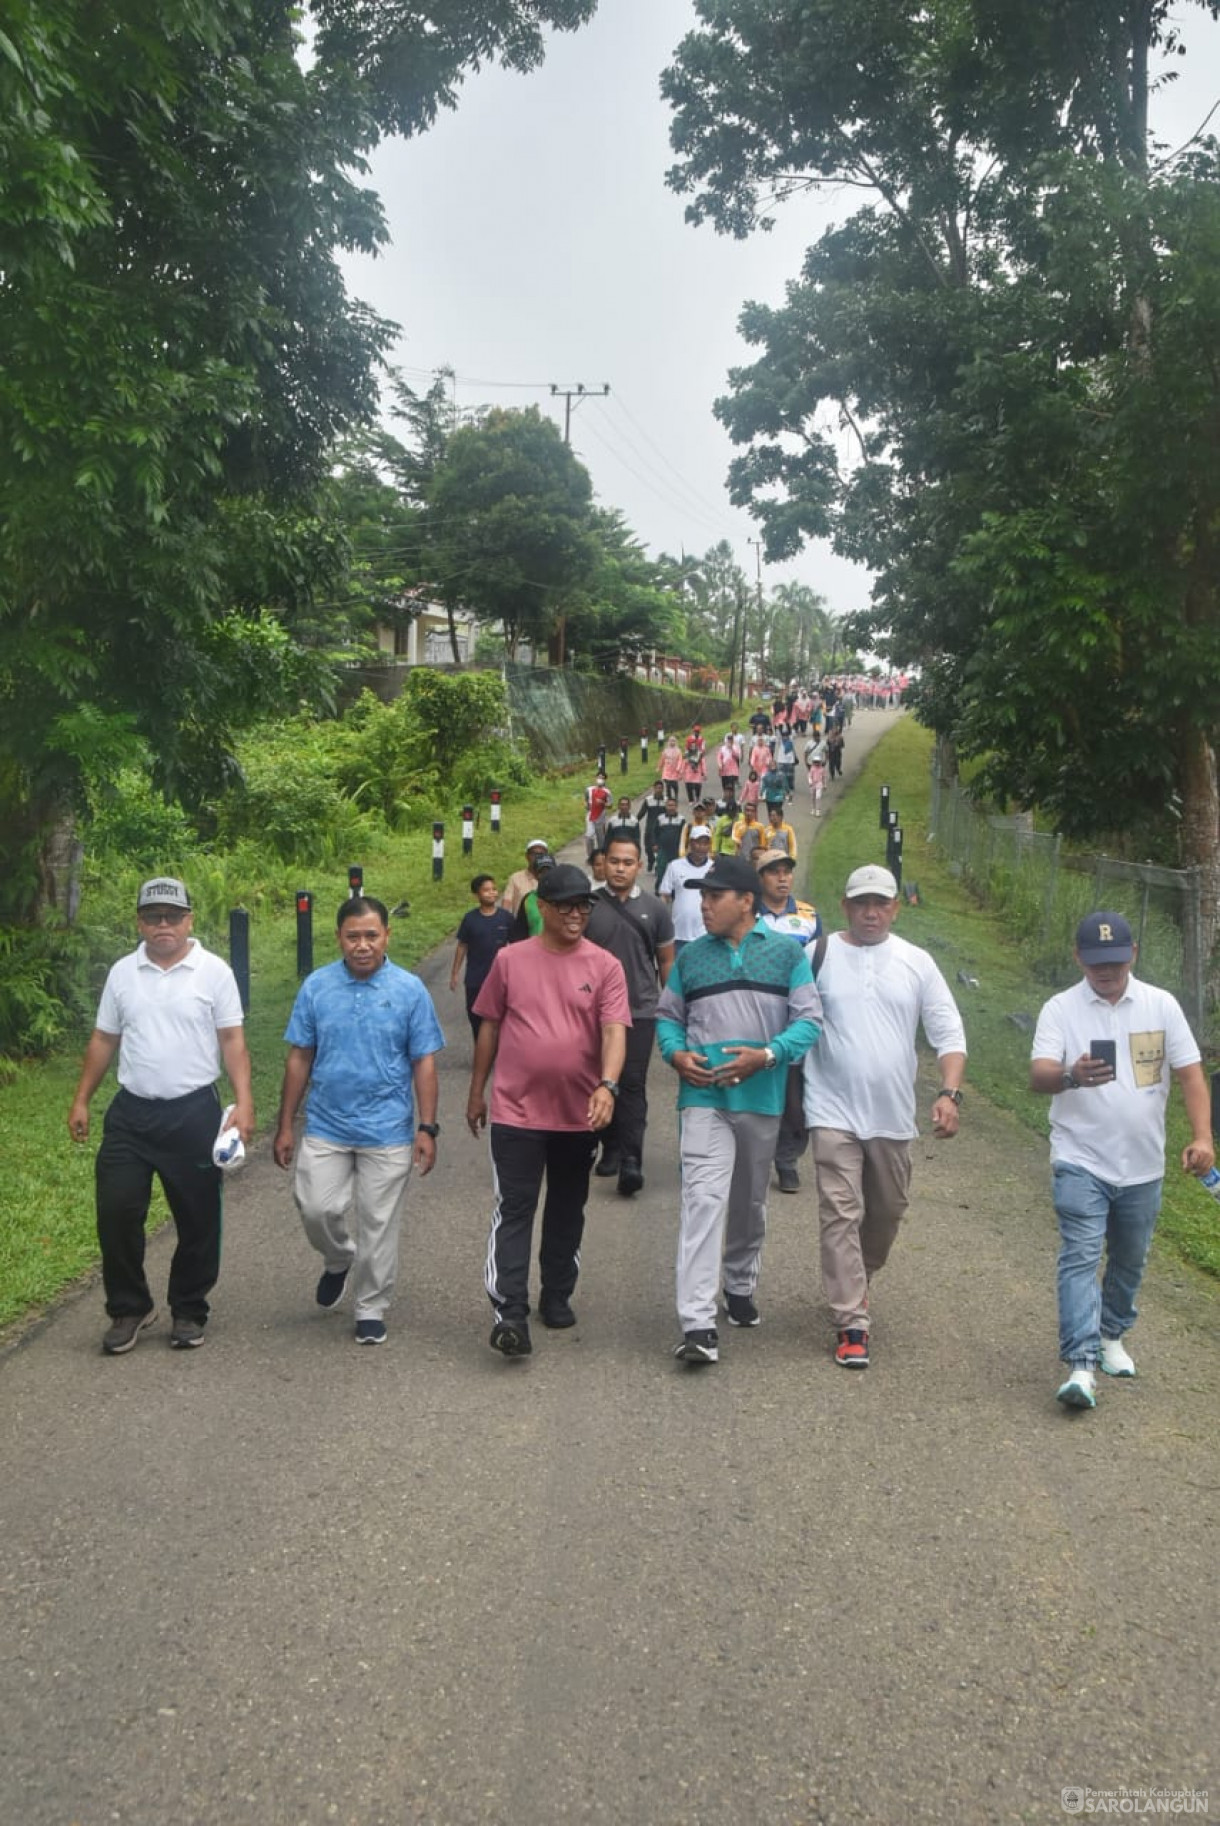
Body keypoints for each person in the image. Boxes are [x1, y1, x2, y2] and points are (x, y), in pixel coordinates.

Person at [1029, 911, 1214, 1412]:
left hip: (1143, 1165)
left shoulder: (1161, 1005)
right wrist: (1071, 1076)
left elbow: (1192, 1075)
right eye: (1095, 963)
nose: (1105, 972)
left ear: (1133, 954)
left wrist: (1203, 1136)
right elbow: (1038, 1073)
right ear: (1078, 958)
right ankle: (1081, 1366)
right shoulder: (1061, 1008)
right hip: (1079, 1157)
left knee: (1130, 1259)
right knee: (1081, 1256)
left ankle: (1111, 1335)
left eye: (1114, 961)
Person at [67, 876, 255, 1354]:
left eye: (173, 916)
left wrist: (245, 1100)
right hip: (131, 1113)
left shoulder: (213, 972)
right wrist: (82, 1098)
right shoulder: (122, 973)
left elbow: (232, 1040)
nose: (163, 925)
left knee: (197, 1217)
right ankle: (129, 1307)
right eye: (153, 917)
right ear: (140, 922)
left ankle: (189, 1308)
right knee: (116, 1209)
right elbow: (104, 1038)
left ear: (190, 919)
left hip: (193, 1111)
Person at [657, 855, 822, 1364]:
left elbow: (810, 1020)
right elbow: (668, 1018)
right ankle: (698, 1324)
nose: (702, 906)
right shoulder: (691, 959)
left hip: (761, 1098)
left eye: (713, 897)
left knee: (749, 1201)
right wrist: (675, 1053)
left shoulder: (786, 956)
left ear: (745, 901)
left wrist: (768, 1055)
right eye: (700, 897)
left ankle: (739, 1282)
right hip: (704, 1098)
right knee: (703, 1201)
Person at [802, 865, 966, 1369]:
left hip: (892, 1116)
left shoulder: (917, 962)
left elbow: (948, 1032)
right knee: (840, 1212)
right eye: (861, 904)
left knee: (887, 1213)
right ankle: (851, 1321)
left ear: (896, 907)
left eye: (881, 903)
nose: (871, 913)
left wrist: (949, 1093)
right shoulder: (816, 955)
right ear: (846, 906)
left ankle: (858, 1279)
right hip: (830, 1108)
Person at [467, 864, 629, 1357]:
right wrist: (477, 1090)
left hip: (579, 1113)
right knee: (515, 1209)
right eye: (566, 906)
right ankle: (510, 1312)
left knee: (566, 1207)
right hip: (516, 1111)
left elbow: (614, 1031)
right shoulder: (511, 960)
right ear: (543, 909)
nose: (577, 913)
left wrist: (608, 1086)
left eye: (584, 905)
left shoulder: (605, 966)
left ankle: (556, 1293)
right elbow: (490, 1026)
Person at [275, 897, 444, 1346]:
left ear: (387, 936)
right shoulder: (316, 987)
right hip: (327, 1124)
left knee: (378, 1223)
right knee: (316, 1207)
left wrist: (427, 1128)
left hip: (387, 1130)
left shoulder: (409, 991)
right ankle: (337, 1259)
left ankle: (371, 1305)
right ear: (339, 939)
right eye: (353, 936)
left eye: (372, 935)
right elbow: (299, 1058)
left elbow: (424, 1062)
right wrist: (286, 1124)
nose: (362, 945)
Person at [586, 835, 675, 1196]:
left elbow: (666, 960)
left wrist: (670, 1006)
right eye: (614, 861)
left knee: (633, 1083)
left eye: (628, 862)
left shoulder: (655, 910)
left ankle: (631, 1160)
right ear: (603, 863)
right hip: (593, 1011)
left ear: (640, 866)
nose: (620, 868)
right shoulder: (588, 907)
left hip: (640, 1009)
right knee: (599, 1079)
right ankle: (609, 1144)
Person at [754, 848, 822, 1194]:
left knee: (796, 1094)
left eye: (787, 872)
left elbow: (820, 964)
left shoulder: (809, 915)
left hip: (797, 1017)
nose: (782, 878)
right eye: (773, 872)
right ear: (760, 878)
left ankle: (788, 1159)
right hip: (759, 1015)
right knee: (762, 1090)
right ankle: (757, 1157)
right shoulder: (749, 915)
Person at [450, 875, 515, 1039]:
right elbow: (462, 946)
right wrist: (455, 973)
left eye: (494, 889)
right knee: (475, 1017)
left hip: (500, 978)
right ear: (476, 894)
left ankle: (500, 1054)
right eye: (486, 890)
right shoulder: (470, 919)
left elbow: (516, 947)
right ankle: (481, 1051)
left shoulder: (506, 918)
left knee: (501, 1018)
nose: (491, 893)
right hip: (475, 979)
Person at [659, 823, 714, 950]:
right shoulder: (675, 866)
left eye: (705, 843)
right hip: (679, 935)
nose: (701, 847)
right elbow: (664, 896)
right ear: (690, 843)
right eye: (698, 842)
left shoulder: (714, 868)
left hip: (706, 935)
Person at [502, 839, 551, 916]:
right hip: (521, 924)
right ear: (527, 856)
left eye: (541, 854)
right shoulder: (515, 878)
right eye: (534, 854)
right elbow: (507, 902)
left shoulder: (552, 877)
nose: (537, 857)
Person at [653, 795, 686, 890]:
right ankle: (659, 889)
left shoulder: (681, 819)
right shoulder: (660, 818)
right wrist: (655, 843)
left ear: (676, 806)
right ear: (666, 806)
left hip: (676, 850)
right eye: (669, 805)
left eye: (673, 805)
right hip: (663, 849)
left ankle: (674, 890)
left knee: (676, 871)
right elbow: (655, 832)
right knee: (661, 870)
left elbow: (684, 835)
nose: (671, 807)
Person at [637, 779, 668, 872]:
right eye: (657, 788)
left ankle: (658, 865)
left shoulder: (666, 800)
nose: (659, 790)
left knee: (660, 848)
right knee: (648, 847)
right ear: (654, 788)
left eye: (661, 788)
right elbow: (642, 813)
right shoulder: (648, 800)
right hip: (650, 828)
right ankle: (651, 860)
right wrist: (635, 820)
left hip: (661, 828)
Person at [583, 772, 612, 860]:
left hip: (600, 815)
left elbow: (610, 805)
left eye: (602, 778)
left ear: (605, 780)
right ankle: (590, 856)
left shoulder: (607, 792)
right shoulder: (589, 789)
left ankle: (601, 855)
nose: (600, 779)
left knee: (600, 837)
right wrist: (586, 805)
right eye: (599, 777)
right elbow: (585, 800)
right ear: (595, 778)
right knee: (589, 835)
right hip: (590, 814)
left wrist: (602, 803)